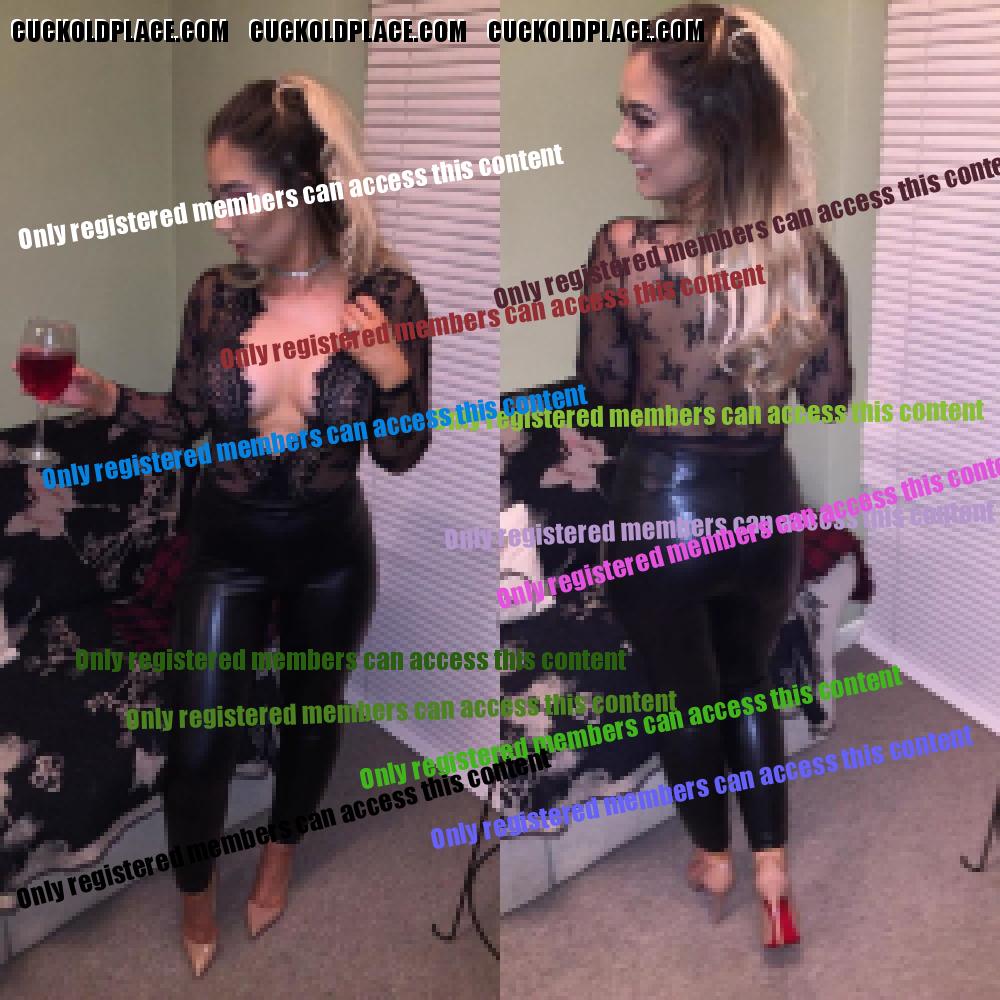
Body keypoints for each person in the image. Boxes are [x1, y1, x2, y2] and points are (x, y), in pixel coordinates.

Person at [50, 75, 431, 975]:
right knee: (200, 742)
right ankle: (196, 899)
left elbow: (401, 453)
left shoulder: (389, 295)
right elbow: (187, 419)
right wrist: (104, 398)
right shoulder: (215, 297)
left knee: (310, 718)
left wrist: (392, 375)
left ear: (300, 183)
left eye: (233, 194)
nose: (218, 218)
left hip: (333, 552)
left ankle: (279, 858)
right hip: (226, 550)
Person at [577, 6, 851, 949]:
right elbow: (828, 395)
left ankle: (714, 855)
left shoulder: (625, 249)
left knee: (686, 696)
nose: (621, 140)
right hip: (766, 508)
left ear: (716, 128)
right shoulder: (805, 256)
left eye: (640, 118)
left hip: (663, 505)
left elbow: (605, 397)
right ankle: (773, 867)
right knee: (750, 683)